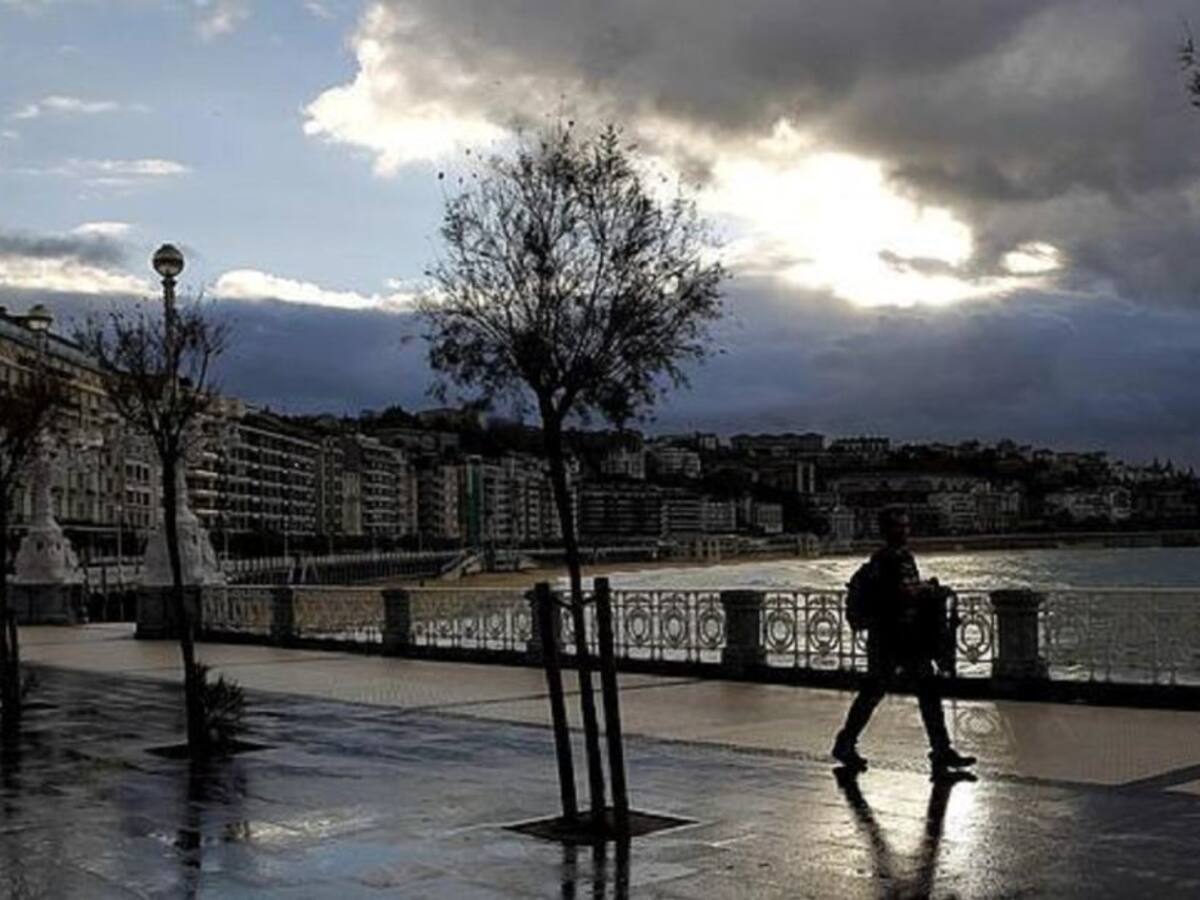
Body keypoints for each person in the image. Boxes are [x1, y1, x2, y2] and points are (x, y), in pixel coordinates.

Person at [832, 506, 976, 775]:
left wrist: (924, 590)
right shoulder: (883, 560)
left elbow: (910, 589)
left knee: (927, 692)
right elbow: (899, 593)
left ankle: (941, 750)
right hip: (887, 639)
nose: (904, 531)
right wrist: (929, 589)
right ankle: (845, 743)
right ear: (885, 530)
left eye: (906, 526)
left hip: (910, 639)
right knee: (873, 693)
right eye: (898, 526)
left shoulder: (905, 558)